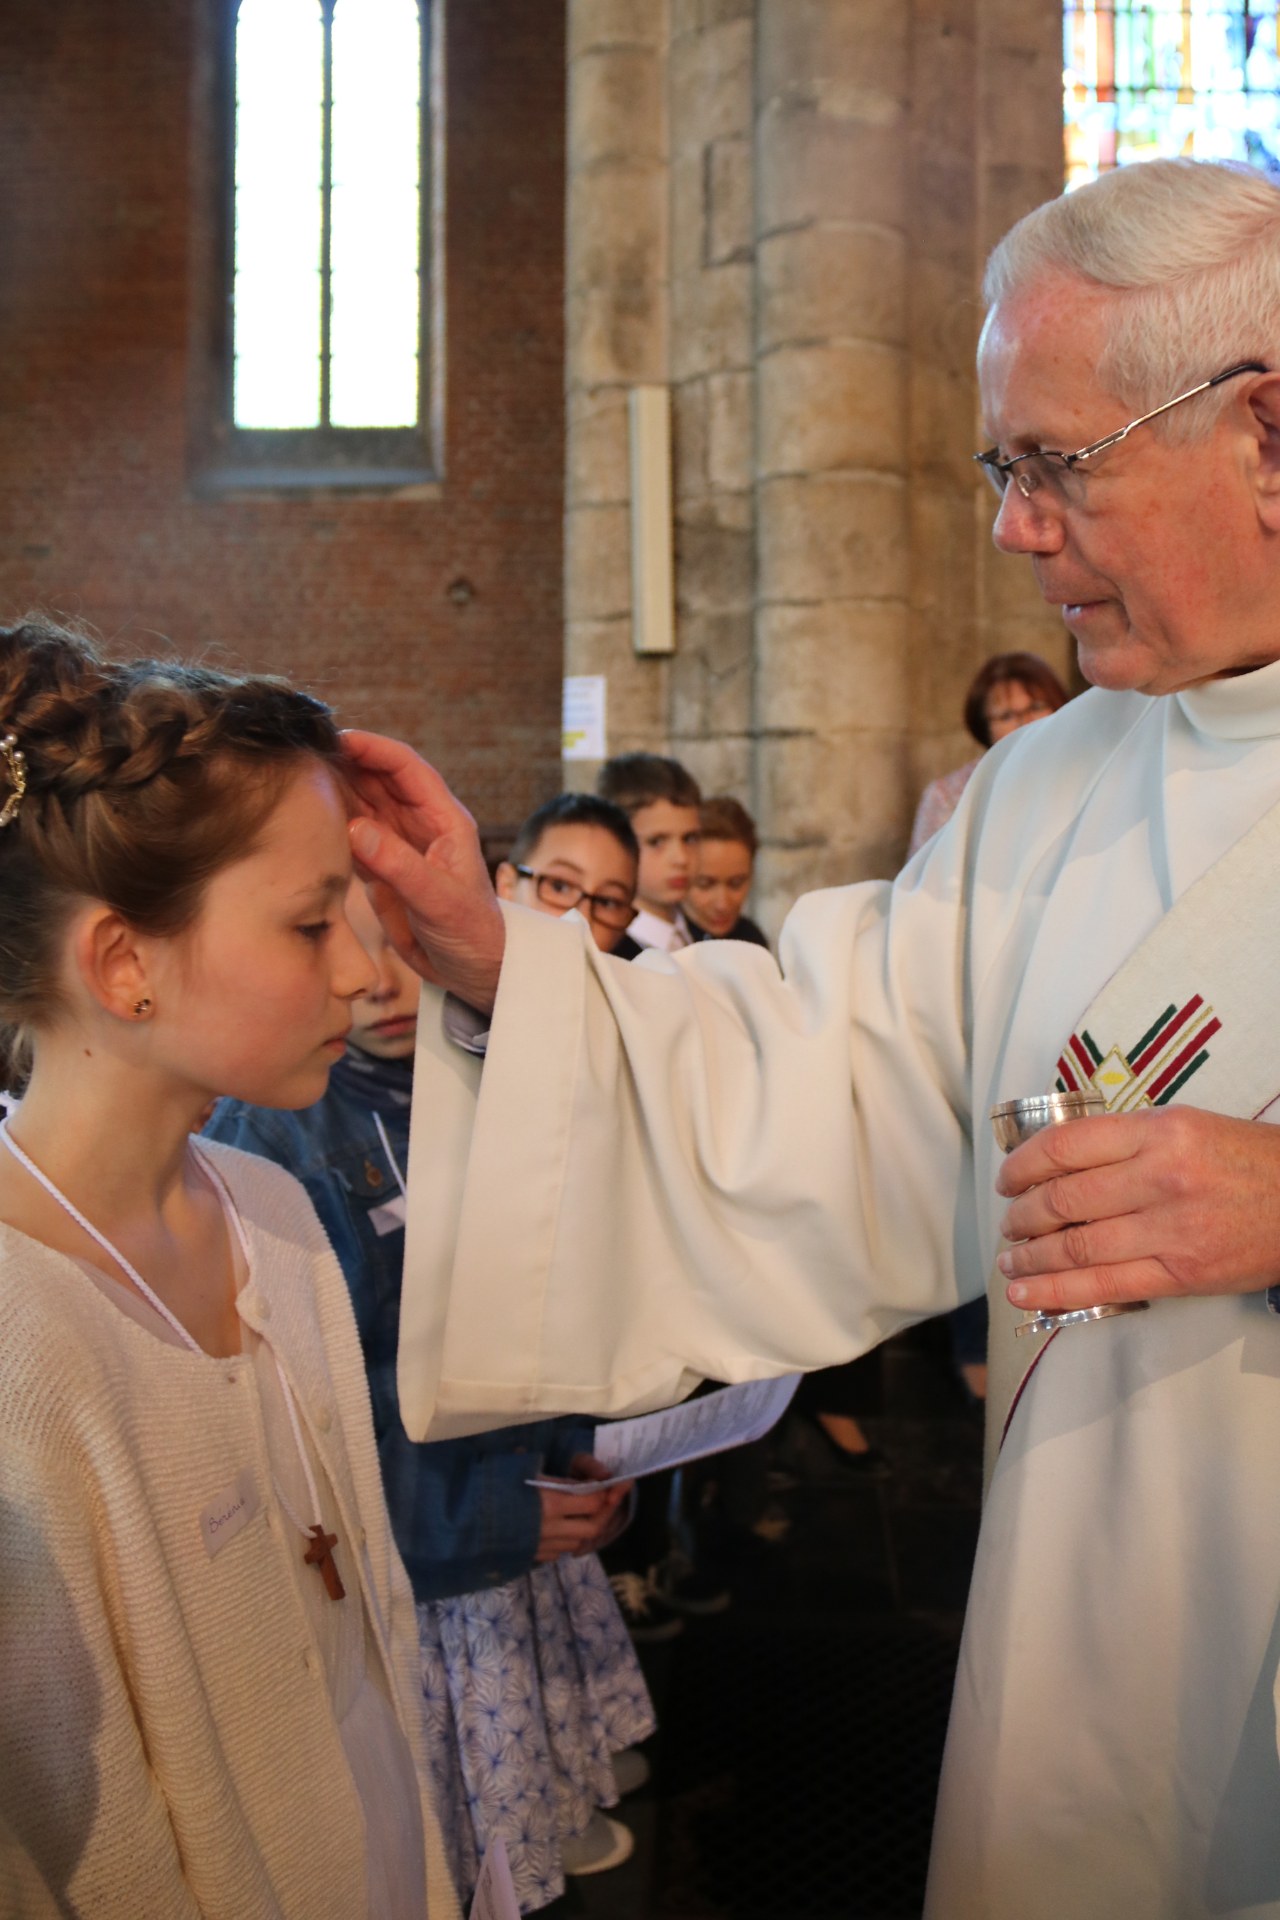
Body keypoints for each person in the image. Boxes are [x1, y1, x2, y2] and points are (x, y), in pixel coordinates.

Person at [345, 157, 1280, 1919]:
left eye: (1053, 465)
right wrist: (498, 957)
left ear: (1268, 436)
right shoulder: (1056, 784)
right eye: (1002, 469)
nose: (1011, 526)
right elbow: (830, 1074)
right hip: (1092, 1630)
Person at [0, 620, 456, 1917]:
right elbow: (80, 1858)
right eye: (314, 924)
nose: (369, 972)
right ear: (123, 963)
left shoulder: (271, 1210)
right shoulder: (19, 1347)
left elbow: (362, 1609)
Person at [207, 870, 653, 1910]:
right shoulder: (270, 1139)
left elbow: (524, 1287)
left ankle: (547, 1809)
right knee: (453, 1784)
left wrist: (564, 1441)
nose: (375, 980)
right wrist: (485, 1509)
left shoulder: (478, 1080)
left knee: (526, 1736)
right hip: (426, 1534)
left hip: (507, 1489)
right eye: (328, 942)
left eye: (408, 944)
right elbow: (319, 1404)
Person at [907, 651, 1070, 855]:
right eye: (1007, 715)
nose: (1026, 722)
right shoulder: (949, 796)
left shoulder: (1082, 776)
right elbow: (922, 880)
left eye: (1036, 707)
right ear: (984, 726)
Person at [596, 752, 701, 951]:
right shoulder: (611, 953)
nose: (681, 858)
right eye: (657, 841)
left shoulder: (707, 938)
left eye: (689, 839)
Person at [683, 796, 770, 948]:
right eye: (705, 884)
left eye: (736, 884)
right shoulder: (662, 942)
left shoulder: (751, 940)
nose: (722, 904)